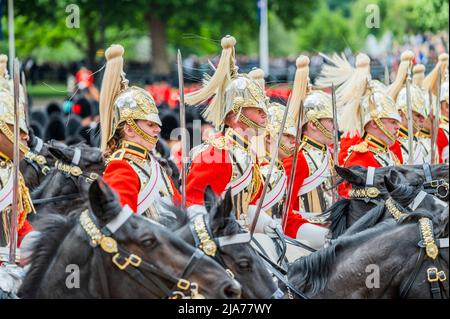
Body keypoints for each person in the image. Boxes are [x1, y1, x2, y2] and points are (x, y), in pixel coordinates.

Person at [184, 35, 277, 235]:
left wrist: (272, 227)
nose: (264, 113)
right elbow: (194, 205)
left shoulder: (246, 152)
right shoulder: (215, 153)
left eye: (263, 108)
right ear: (234, 115)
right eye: (256, 108)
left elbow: (246, 209)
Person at [99, 44, 181, 222]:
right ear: (129, 129)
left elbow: (178, 208)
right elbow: (124, 226)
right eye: (150, 124)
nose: (158, 129)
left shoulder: (151, 163)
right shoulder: (121, 167)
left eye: (156, 124)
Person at [0, 54, 34, 260]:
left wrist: (39, 242)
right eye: (17, 127)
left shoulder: (10, 170)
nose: (26, 134)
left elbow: (19, 228)